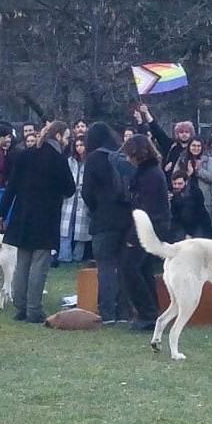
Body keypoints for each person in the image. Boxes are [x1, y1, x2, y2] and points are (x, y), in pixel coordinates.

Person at [0, 121, 76, 324]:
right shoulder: (58, 160)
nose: (68, 141)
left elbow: (11, 187)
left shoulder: (25, 155)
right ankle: (34, 309)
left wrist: (0, 214)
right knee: (39, 265)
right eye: (66, 137)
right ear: (57, 136)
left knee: (22, 263)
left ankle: (20, 307)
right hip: (46, 218)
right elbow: (69, 189)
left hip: (22, 216)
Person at [81, 122, 131, 324]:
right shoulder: (122, 156)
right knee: (124, 266)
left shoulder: (93, 159)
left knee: (106, 267)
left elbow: (86, 192)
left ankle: (107, 312)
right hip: (126, 219)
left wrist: (95, 208)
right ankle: (124, 311)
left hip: (103, 218)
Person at [119, 134, 170, 331]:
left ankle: (147, 312)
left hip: (149, 226)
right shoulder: (150, 171)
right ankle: (150, 311)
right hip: (155, 224)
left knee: (129, 268)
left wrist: (133, 235)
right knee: (144, 269)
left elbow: (147, 207)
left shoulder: (149, 175)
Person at [59, 137, 91, 263]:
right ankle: (64, 255)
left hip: (83, 197)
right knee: (66, 227)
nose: (79, 148)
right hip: (70, 196)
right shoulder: (70, 161)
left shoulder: (89, 161)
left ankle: (78, 256)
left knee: (81, 230)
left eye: (81, 145)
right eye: (77, 145)